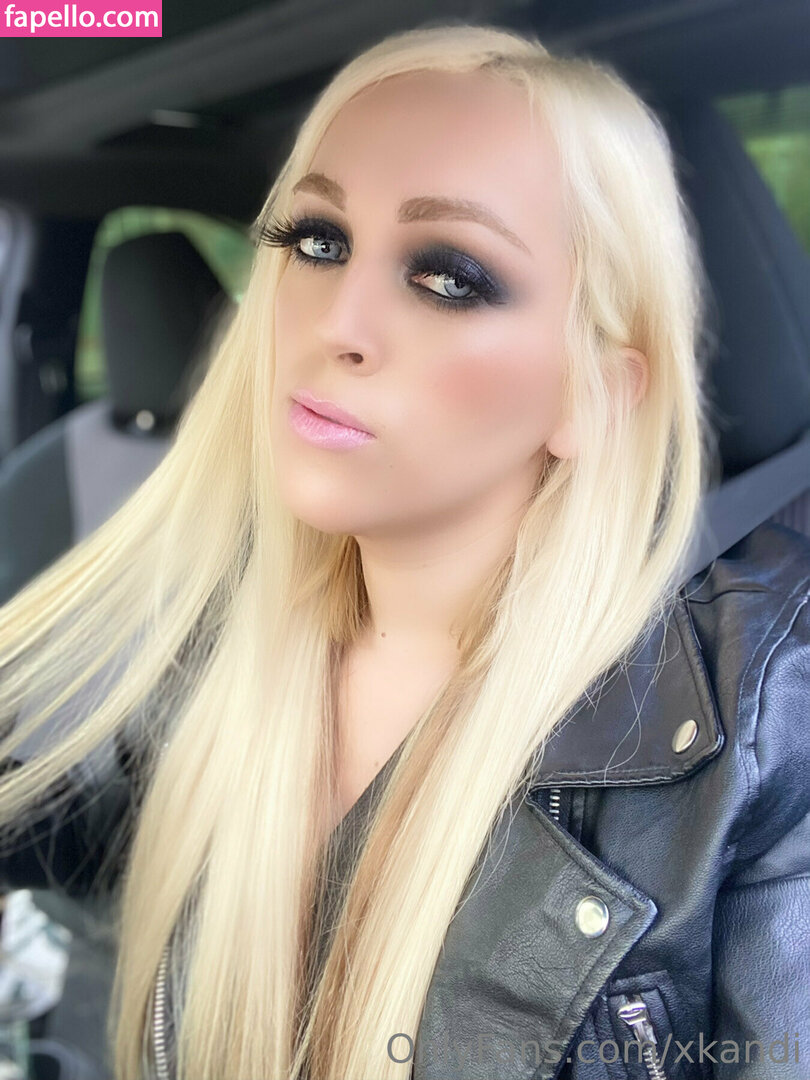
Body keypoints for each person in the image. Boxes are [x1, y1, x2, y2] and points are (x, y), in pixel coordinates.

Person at [0, 20, 808, 1080]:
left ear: (596, 392)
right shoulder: (209, 652)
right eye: (317, 240)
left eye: (449, 276)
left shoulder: (758, 734)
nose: (339, 320)